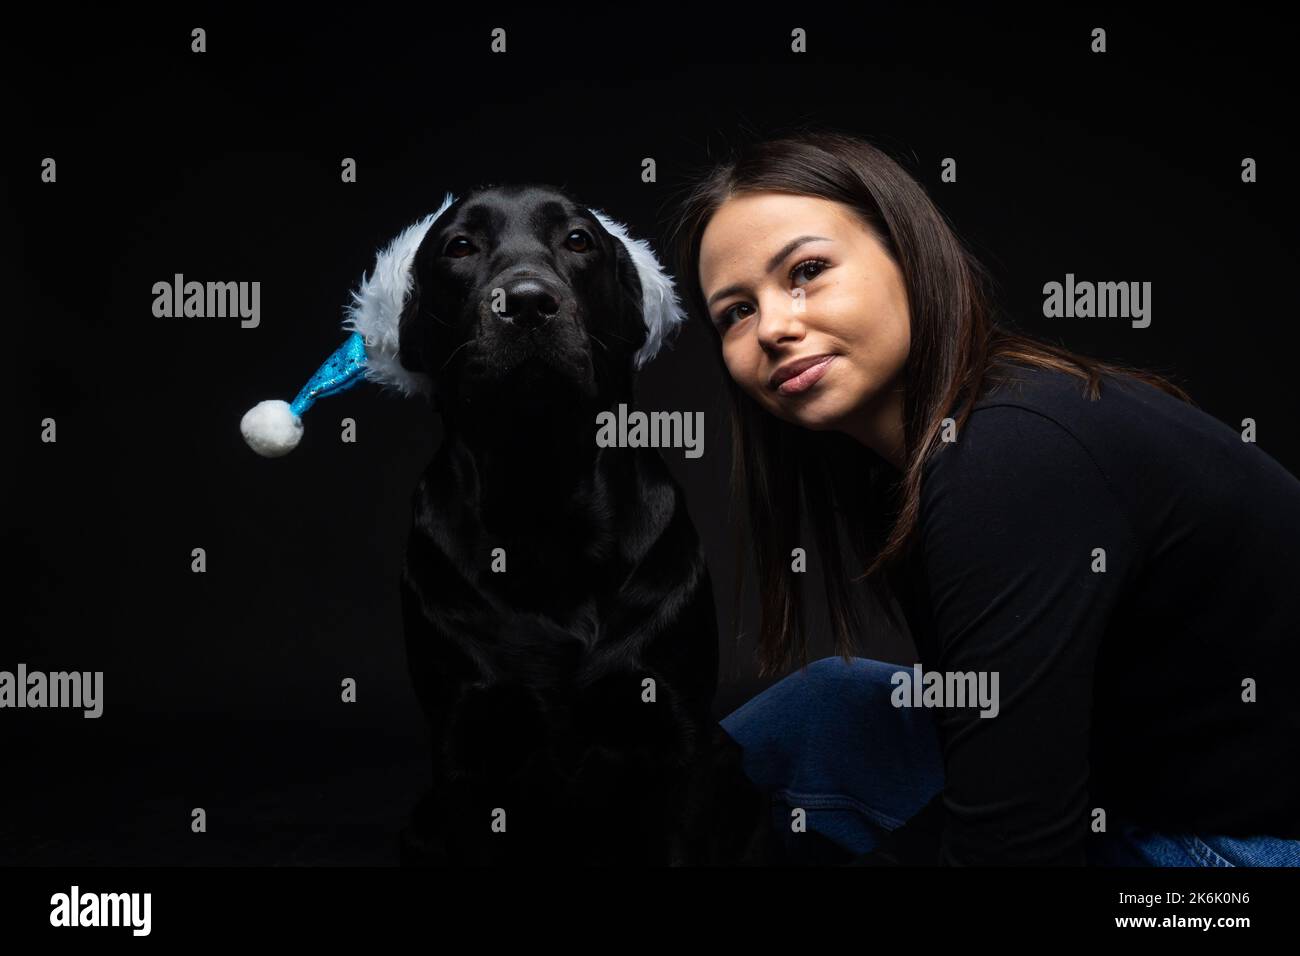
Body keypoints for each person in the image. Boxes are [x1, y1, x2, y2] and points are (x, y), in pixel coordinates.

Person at [664, 130, 1300, 866]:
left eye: (807, 270)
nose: (774, 326)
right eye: (736, 313)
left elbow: (1015, 845)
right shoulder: (918, 455)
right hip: (1125, 794)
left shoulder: (1013, 457)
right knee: (819, 712)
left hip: (1244, 854)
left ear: (909, 255)